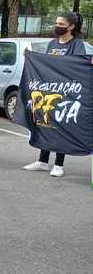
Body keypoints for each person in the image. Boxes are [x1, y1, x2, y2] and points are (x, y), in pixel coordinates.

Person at [23, 12, 88, 178]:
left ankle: (59, 164)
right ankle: (43, 161)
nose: (57, 26)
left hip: (66, 94)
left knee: (60, 126)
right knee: (45, 123)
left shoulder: (76, 44)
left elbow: (77, 65)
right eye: (56, 23)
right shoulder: (52, 43)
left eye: (60, 23)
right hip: (49, 91)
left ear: (71, 27)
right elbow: (46, 65)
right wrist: (31, 58)